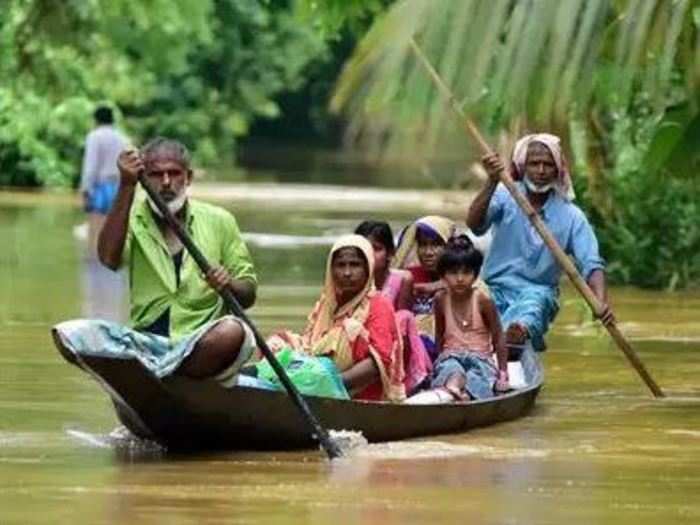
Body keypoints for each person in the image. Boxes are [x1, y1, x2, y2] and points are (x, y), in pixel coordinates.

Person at [53, 137, 258, 387]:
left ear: (188, 178)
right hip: (146, 345)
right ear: (144, 179)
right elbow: (108, 259)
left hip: (201, 346)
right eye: (156, 175)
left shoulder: (220, 220)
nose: (166, 183)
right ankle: (164, 378)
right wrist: (126, 186)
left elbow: (248, 294)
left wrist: (228, 284)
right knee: (72, 334)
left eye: (174, 173)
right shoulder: (131, 216)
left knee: (233, 332)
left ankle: (161, 380)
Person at [466, 133, 613, 351]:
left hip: (537, 293)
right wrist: (491, 181)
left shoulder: (571, 216)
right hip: (493, 288)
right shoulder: (505, 196)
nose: (541, 171)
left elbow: (591, 263)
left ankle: (518, 334)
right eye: (534, 164)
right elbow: (475, 225)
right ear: (523, 166)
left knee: (534, 303)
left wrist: (599, 302)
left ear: (557, 170)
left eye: (548, 165)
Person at [267, 235, 405, 401]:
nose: (347, 273)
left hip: (356, 392)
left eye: (355, 265)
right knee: (275, 343)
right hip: (318, 377)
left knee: (352, 330)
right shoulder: (326, 304)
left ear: (368, 268)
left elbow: (379, 363)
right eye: (340, 265)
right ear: (331, 269)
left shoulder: (378, 305)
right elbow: (309, 344)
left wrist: (328, 384)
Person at [355, 220, 432, 393]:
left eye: (376, 249)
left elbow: (401, 328)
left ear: (390, 253)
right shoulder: (351, 279)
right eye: (364, 249)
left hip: (390, 346)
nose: (370, 255)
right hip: (358, 343)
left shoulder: (402, 279)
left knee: (403, 317)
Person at [429, 236, 509, 401]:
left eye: (466, 272)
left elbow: (498, 336)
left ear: (475, 275)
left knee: (478, 377)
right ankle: (454, 386)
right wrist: (434, 365)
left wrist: (503, 372)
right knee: (452, 370)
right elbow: (439, 334)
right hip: (451, 355)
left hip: (480, 358)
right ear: (443, 275)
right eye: (453, 273)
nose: (459, 279)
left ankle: (464, 394)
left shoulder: (483, 300)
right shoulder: (440, 299)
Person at [393, 215, 456, 359]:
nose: (428, 252)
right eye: (423, 245)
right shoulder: (408, 276)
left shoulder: (462, 278)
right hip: (412, 347)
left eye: (436, 245)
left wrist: (436, 286)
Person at [79, 105, 128, 257]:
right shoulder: (122, 138)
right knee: (115, 226)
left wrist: (86, 189)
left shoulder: (94, 136)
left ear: (96, 120)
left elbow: (91, 166)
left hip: (101, 186)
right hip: (119, 185)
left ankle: (94, 259)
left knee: (95, 227)